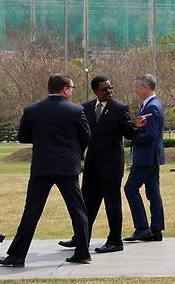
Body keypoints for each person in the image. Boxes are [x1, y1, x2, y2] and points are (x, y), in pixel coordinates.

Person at [0, 74, 91, 267]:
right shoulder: (76, 110)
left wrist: (42, 140)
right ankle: (82, 252)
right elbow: (86, 136)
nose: (72, 91)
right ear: (64, 89)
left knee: (31, 212)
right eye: (71, 88)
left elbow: (23, 137)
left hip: (42, 166)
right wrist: (74, 153)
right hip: (67, 166)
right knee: (78, 210)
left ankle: (17, 255)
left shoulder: (32, 110)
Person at [58, 75, 139, 254]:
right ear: (95, 91)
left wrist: (136, 126)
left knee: (112, 204)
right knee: (87, 203)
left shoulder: (120, 108)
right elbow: (81, 136)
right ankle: (81, 238)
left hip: (111, 165)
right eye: (105, 89)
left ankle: (115, 241)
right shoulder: (85, 108)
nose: (109, 91)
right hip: (92, 165)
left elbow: (128, 133)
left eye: (111, 88)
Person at [124, 74, 166, 242]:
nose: (135, 91)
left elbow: (151, 134)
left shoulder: (152, 107)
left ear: (146, 87)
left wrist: (132, 137)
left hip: (145, 157)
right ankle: (156, 229)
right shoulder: (151, 105)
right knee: (153, 192)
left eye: (137, 87)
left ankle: (142, 228)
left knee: (130, 189)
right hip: (151, 157)